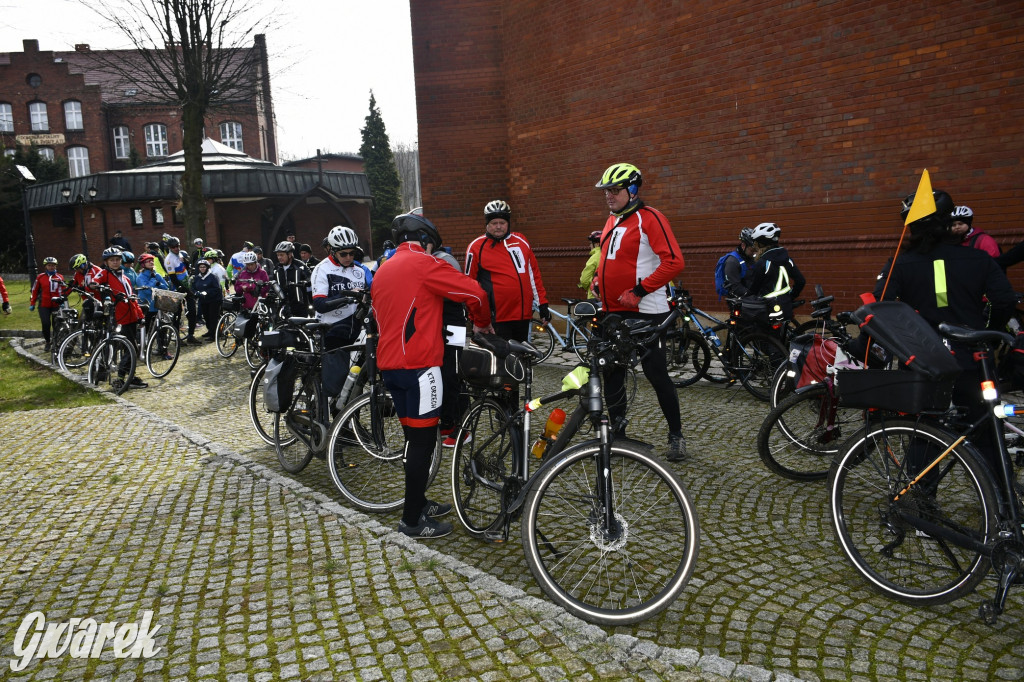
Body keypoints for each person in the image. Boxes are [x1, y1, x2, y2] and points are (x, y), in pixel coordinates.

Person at [873, 188, 1016, 473]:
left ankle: (920, 499)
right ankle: (1001, 496)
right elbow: (1005, 300)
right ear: (949, 223)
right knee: (986, 426)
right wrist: (990, 332)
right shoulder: (978, 259)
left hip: (923, 358)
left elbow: (881, 305)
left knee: (923, 429)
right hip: (970, 356)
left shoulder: (901, 264)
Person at [372, 213, 493, 539]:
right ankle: (412, 521)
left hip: (391, 368)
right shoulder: (423, 263)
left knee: (415, 443)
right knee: (423, 445)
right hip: (422, 368)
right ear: (425, 241)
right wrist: (481, 323)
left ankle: (418, 502)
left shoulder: (382, 270)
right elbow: (476, 294)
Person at [593, 162, 687, 461]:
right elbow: (608, 259)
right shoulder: (611, 220)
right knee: (612, 372)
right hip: (612, 311)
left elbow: (673, 262)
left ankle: (676, 436)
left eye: (615, 190)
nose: (609, 195)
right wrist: (598, 279)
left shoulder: (650, 218)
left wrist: (639, 291)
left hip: (647, 312)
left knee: (656, 374)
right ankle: (617, 433)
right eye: (606, 190)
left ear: (633, 190)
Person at [465, 200, 551, 341]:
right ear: (487, 224)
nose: (498, 227)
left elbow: (533, 275)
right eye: (494, 223)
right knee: (501, 359)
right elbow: (469, 285)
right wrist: (474, 318)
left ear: (508, 223)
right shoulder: (475, 247)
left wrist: (543, 304)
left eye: (502, 223)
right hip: (496, 318)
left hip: (522, 315)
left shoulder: (521, 241)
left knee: (521, 357)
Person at [91, 247, 148, 388]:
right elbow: (94, 282)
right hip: (118, 317)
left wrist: (140, 316)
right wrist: (98, 286)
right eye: (112, 260)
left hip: (131, 316)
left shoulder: (126, 278)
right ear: (106, 262)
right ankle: (121, 379)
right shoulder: (104, 273)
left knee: (129, 348)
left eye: (117, 260)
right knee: (130, 348)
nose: (115, 262)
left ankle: (129, 376)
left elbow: (133, 299)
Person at [310, 226, 373, 350]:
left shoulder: (360, 271)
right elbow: (320, 305)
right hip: (332, 331)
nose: (348, 257)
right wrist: (347, 296)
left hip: (356, 331)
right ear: (333, 251)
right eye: (343, 254)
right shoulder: (322, 269)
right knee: (337, 369)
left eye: (352, 253)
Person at [746, 222, 806, 322]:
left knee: (759, 334)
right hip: (786, 307)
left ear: (761, 243)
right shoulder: (787, 259)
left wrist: (743, 297)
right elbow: (801, 281)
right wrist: (790, 297)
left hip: (768, 310)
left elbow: (753, 290)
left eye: (756, 243)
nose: (754, 246)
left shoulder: (762, 263)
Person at [164, 237, 199, 344]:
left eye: (177, 246)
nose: (176, 248)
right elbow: (174, 279)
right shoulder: (169, 259)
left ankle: (191, 335)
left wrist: (187, 262)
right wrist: (185, 291)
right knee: (177, 314)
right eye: (173, 247)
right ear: (169, 248)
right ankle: (177, 338)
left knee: (192, 311)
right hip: (177, 289)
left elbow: (186, 269)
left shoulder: (180, 255)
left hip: (186, 286)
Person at [29, 257, 67, 350]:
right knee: (46, 323)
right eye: (49, 265)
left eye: (53, 265)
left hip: (56, 304)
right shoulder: (40, 277)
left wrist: (62, 301)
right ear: (45, 266)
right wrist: (32, 303)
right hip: (44, 304)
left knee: (56, 324)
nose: (51, 267)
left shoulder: (59, 277)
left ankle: (55, 341)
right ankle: (47, 341)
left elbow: (63, 290)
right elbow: (34, 290)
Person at [271, 241, 312, 318]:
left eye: (282, 255)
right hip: (283, 308)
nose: (279, 257)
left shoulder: (300, 266)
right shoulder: (277, 268)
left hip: (300, 307)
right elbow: (273, 284)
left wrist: (305, 282)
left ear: (289, 254)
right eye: (278, 255)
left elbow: (310, 278)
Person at [717, 228, 756, 298]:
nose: (754, 252)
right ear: (743, 246)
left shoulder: (751, 258)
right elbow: (735, 287)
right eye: (752, 249)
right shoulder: (732, 262)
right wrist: (753, 296)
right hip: (740, 301)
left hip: (752, 299)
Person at [136, 253, 170, 332]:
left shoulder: (157, 274)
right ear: (143, 264)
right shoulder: (140, 277)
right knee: (147, 328)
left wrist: (160, 284)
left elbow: (166, 287)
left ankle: (162, 343)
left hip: (158, 305)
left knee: (162, 328)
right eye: (148, 261)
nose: (151, 262)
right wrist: (153, 281)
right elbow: (147, 291)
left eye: (152, 261)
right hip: (147, 307)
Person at [191, 259, 223, 341]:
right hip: (203, 300)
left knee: (213, 317)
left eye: (204, 267)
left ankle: (214, 334)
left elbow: (217, 289)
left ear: (207, 268)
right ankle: (210, 330)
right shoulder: (197, 277)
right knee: (206, 316)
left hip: (214, 300)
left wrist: (207, 292)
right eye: (200, 267)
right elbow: (193, 287)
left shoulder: (213, 277)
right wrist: (196, 293)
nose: (202, 268)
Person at [578, 230, 601, 297]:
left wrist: (587, 287)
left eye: (591, 243)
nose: (590, 246)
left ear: (597, 244)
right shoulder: (608, 255)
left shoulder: (594, 257)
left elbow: (584, 280)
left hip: (594, 294)